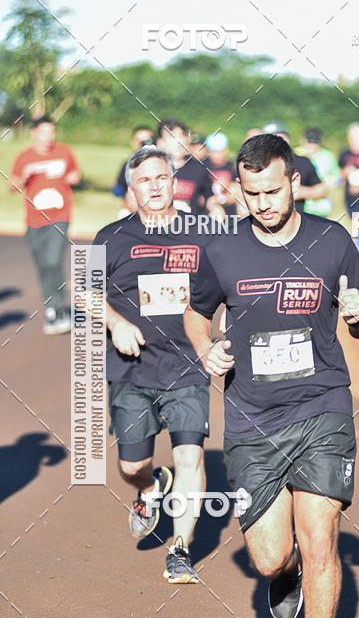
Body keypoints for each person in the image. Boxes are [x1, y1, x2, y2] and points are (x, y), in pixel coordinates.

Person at [184, 133, 359, 618]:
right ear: (238, 189)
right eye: (251, 194)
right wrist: (206, 350)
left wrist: (358, 314)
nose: (263, 203)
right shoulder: (224, 250)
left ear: (294, 181)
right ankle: (284, 574)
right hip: (251, 418)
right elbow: (196, 312)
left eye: (272, 190)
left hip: (322, 407)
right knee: (270, 556)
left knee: (320, 539)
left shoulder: (331, 240)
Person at [92, 145, 211, 583]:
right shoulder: (111, 237)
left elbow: (234, 283)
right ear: (132, 188)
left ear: (174, 182)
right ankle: (148, 486)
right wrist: (116, 321)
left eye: (162, 177)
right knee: (130, 466)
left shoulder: (204, 234)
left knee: (189, 456)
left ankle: (180, 549)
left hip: (186, 365)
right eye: (145, 180)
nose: (155, 186)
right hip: (132, 368)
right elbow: (84, 291)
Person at [9, 115, 81, 334]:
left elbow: (76, 175)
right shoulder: (24, 157)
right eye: (44, 132)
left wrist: (71, 178)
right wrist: (24, 176)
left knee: (52, 260)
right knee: (43, 264)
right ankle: (51, 308)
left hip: (60, 215)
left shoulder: (64, 151)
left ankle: (58, 309)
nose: (49, 137)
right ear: (34, 133)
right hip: (34, 219)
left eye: (52, 132)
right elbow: (13, 186)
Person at [261, 121, 326, 215]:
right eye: (272, 139)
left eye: (282, 138)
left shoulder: (303, 162)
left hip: (298, 220)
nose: (278, 142)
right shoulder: (258, 164)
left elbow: (322, 190)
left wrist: (301, 192)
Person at [156, 118, 212, 214]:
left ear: (187, 140)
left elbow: (210, 197)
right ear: (160, 142)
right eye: (172, 136)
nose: (178, 142)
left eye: (181, 136)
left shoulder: (198, 168)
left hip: (190, 224)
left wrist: (215, 207)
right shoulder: (152, 168)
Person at [338, 123, 359, 264]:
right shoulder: (345, 154)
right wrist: (344, 174)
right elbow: (339, 174)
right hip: (351, 196)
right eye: (353, 137)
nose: (356, 140)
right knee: (355, 224)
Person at [300, 127, 342, 219]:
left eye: (314, 142)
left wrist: (331, 183)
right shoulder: (298, 154)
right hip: (302, 207)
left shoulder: (328, 156)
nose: (312, 145)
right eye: (309, 142)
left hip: (322, 207)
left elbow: (338, 178)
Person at [112, 126, 154, 215]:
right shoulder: (128, 165)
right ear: (133, 143)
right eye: (139, 141)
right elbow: (119, 189)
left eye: (147, 141)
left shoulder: (163, 164)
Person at [204, 131, 239, 219]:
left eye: (220, 151)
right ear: (208, 151)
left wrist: (219, 200)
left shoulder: (233, 167)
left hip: (230, 214)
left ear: (226, 150)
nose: (217, 155)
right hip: (206, 214)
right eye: (214, 152)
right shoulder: (202, 166)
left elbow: (237, 191)